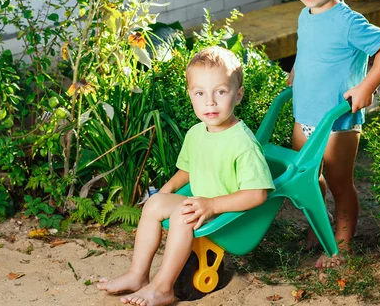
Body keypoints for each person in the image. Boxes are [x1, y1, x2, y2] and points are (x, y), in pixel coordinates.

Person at [97, 46, 275, 306]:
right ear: (190, 95)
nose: (210, 102)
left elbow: (258, 193)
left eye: (221, 92)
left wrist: (212, 204)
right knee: (155, 203)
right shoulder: (196, 132)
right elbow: (188, 170)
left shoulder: (242, 143)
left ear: (238, 95)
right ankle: (137, 275)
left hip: (226, 210)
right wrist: (167, 189)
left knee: (183, 215)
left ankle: (163, 287)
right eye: (200, 93)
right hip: (202, 201)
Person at [286, 0, 380, 268]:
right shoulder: (306, 14)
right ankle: (317, 229)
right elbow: (309, 49)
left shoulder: (348, 22)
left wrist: (366, 87)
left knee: (338, 182)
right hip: (304, 115)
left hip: (337, 122)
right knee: (308, 178)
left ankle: (343, 244)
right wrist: (296, 68)